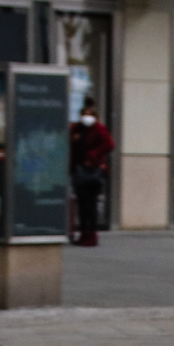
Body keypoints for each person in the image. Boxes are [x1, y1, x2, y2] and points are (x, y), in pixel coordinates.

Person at [68, 99, 114, 248]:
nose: (87, 117)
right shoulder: (76, 128)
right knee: (81, 204)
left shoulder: (99, 129)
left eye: (90, 114)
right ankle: (83, 234)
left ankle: (91, 235)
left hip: (93, 172)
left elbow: (109, 144)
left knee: (91, 205)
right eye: (84, 114)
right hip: (79, 171)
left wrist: (93, 156)